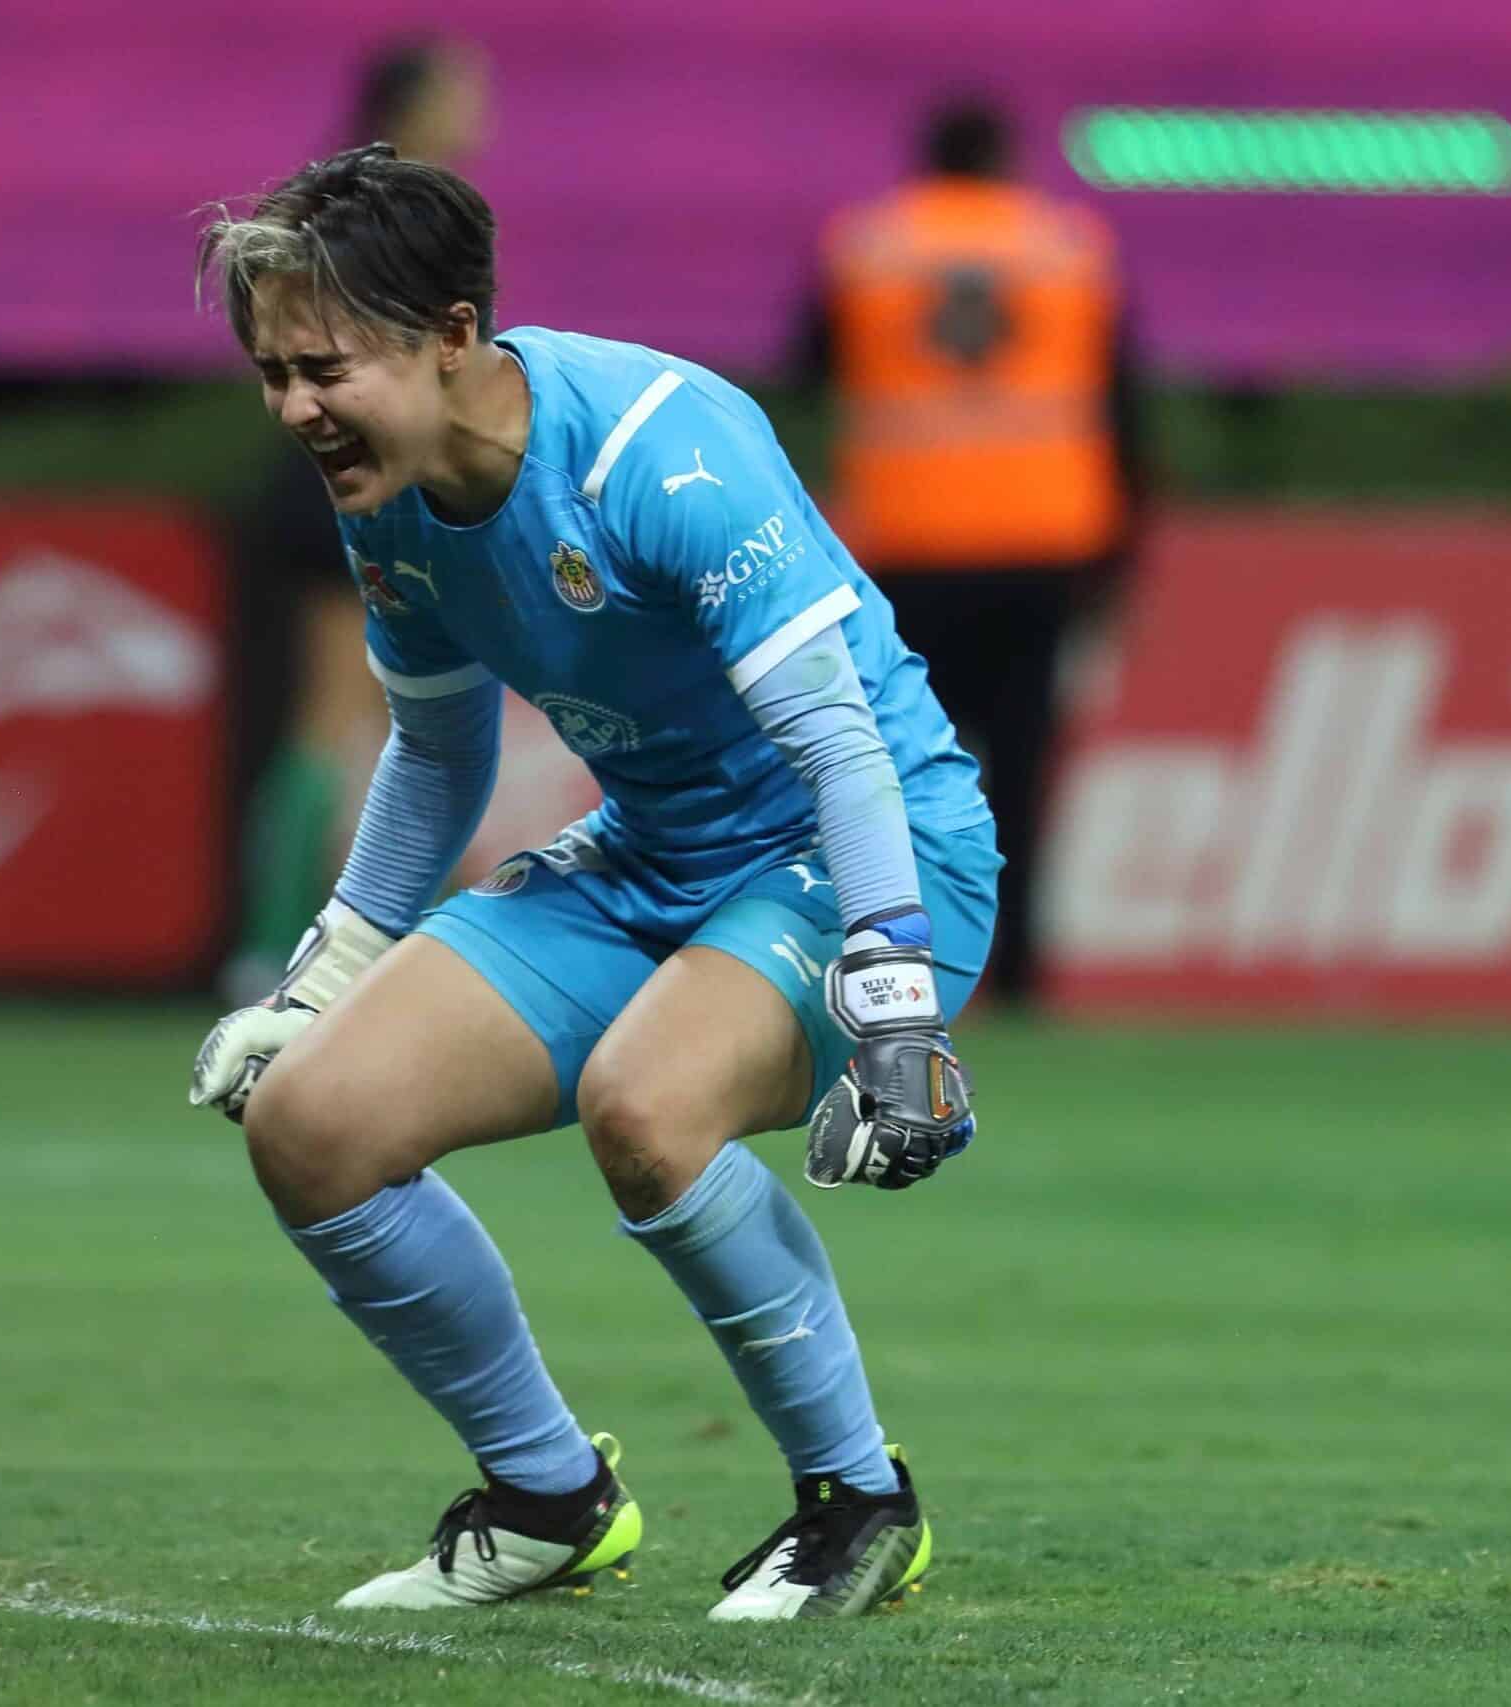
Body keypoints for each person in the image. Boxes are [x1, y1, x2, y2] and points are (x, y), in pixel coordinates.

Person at [187, 145, 999, 1621]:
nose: (297, 406)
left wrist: (894, 1010)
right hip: (658, 856)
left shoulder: (661, 449)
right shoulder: (386, 487)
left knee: (649, 1102)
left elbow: (843, 743)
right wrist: (327, 975)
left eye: (327, 366)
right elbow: (437, 756)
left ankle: (860, 1502)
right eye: (272, 371)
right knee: (311, 1122)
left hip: (876, 851)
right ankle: (551, 1498)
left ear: (451, 332)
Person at [797, 96, 1144, 1007]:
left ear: (926, 163)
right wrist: (1121, 555)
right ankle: (1021, 972)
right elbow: (1122, 405)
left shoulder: (866, 248)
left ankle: (908, 961)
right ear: (1006, 157)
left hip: (908, 543)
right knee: (1023, 765)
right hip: (1041, 544)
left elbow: (809, 369)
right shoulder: (1069, 247)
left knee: (901, 769)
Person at [221, 40, 494, 1004]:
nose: (480, 112)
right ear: (413, 104)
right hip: (350, 471)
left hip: (347, 465)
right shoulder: (393, 211)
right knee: (338, 719)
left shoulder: (342, 199)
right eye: (464, 91)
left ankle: (314, 941)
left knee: (364, 721)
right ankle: (271, 945)